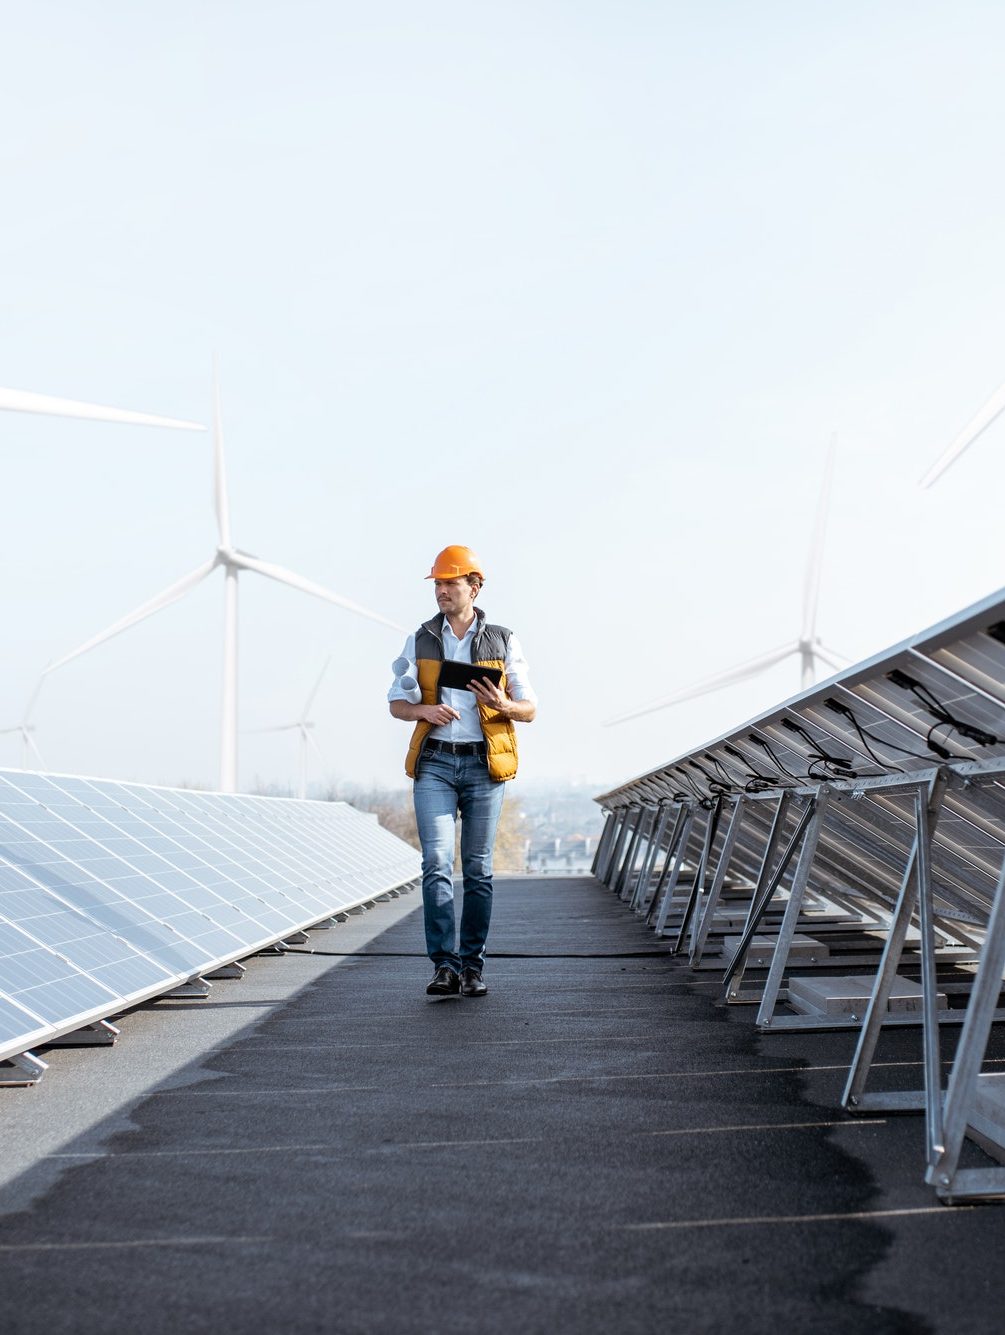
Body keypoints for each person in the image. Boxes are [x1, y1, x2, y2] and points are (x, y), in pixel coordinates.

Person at [388, 545, 537, 998]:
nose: (442, 591)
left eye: (450, 583)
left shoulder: (504, 640)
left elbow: (529, 709)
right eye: (437, 584)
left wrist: (503, 704)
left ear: (474, 586)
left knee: (477, 868)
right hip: (435, 762)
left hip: (483, 765)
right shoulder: (419, 640)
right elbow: (396, 704)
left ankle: (472, 965)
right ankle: (444, 966)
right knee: (435, 862)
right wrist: (424, 710)